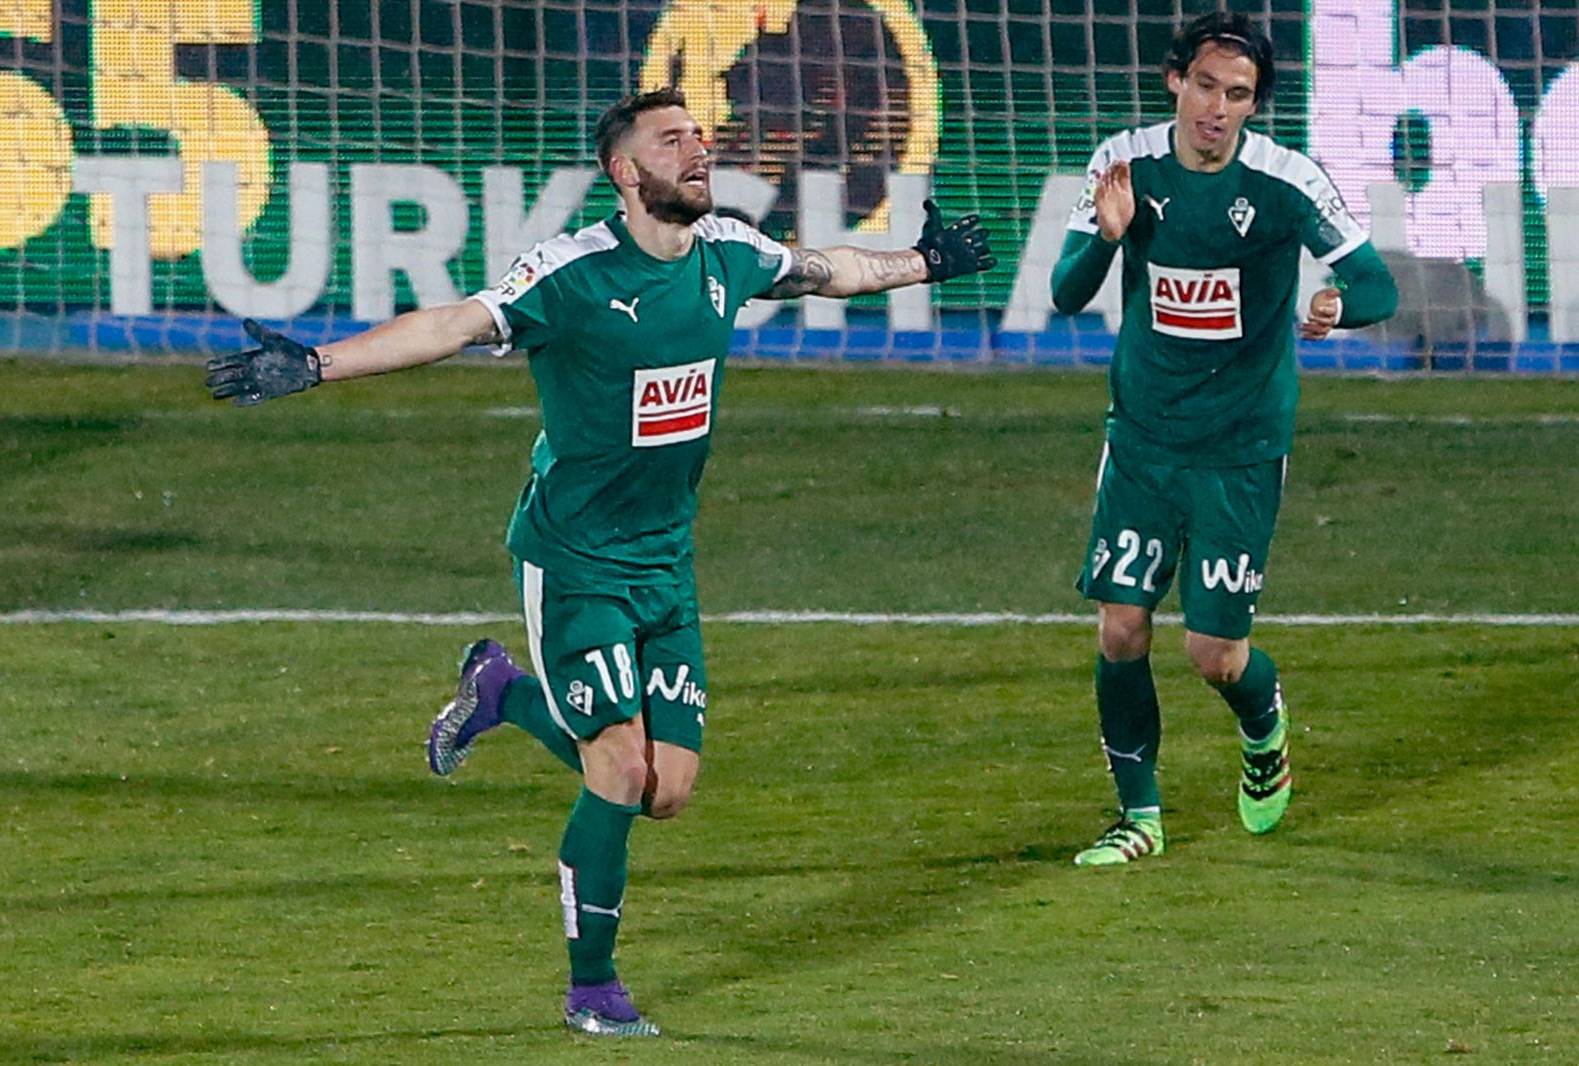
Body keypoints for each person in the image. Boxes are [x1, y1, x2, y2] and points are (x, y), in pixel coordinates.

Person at [205, 87, 994, 1034]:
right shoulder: (571, 273)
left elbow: (827, 270)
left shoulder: (728, 253)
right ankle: (592, 990)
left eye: (698, 137)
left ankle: (502, 690)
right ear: (626, 173)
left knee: (667, 790)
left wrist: (925, 261)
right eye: (673, 142)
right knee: (618, 771)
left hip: (666, 562)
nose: (698, 151)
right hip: (575, 559)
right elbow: (455, 324)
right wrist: (320, 364)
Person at [1049, 12, 1397, 866]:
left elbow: (1376, 283)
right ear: (1176, 81)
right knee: (1121, 626)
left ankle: (1264, 730)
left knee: (1214, 652)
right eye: (1205, 85)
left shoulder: (1285, 180)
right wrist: (1108, 234)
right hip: (1142, 437)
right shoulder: (1121, 164)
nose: (1217, 107)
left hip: (1240, 445)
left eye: (1237, 95)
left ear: (1252, 106)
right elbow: (1065, 293)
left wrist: (1338, 307)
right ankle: (1140, 817)